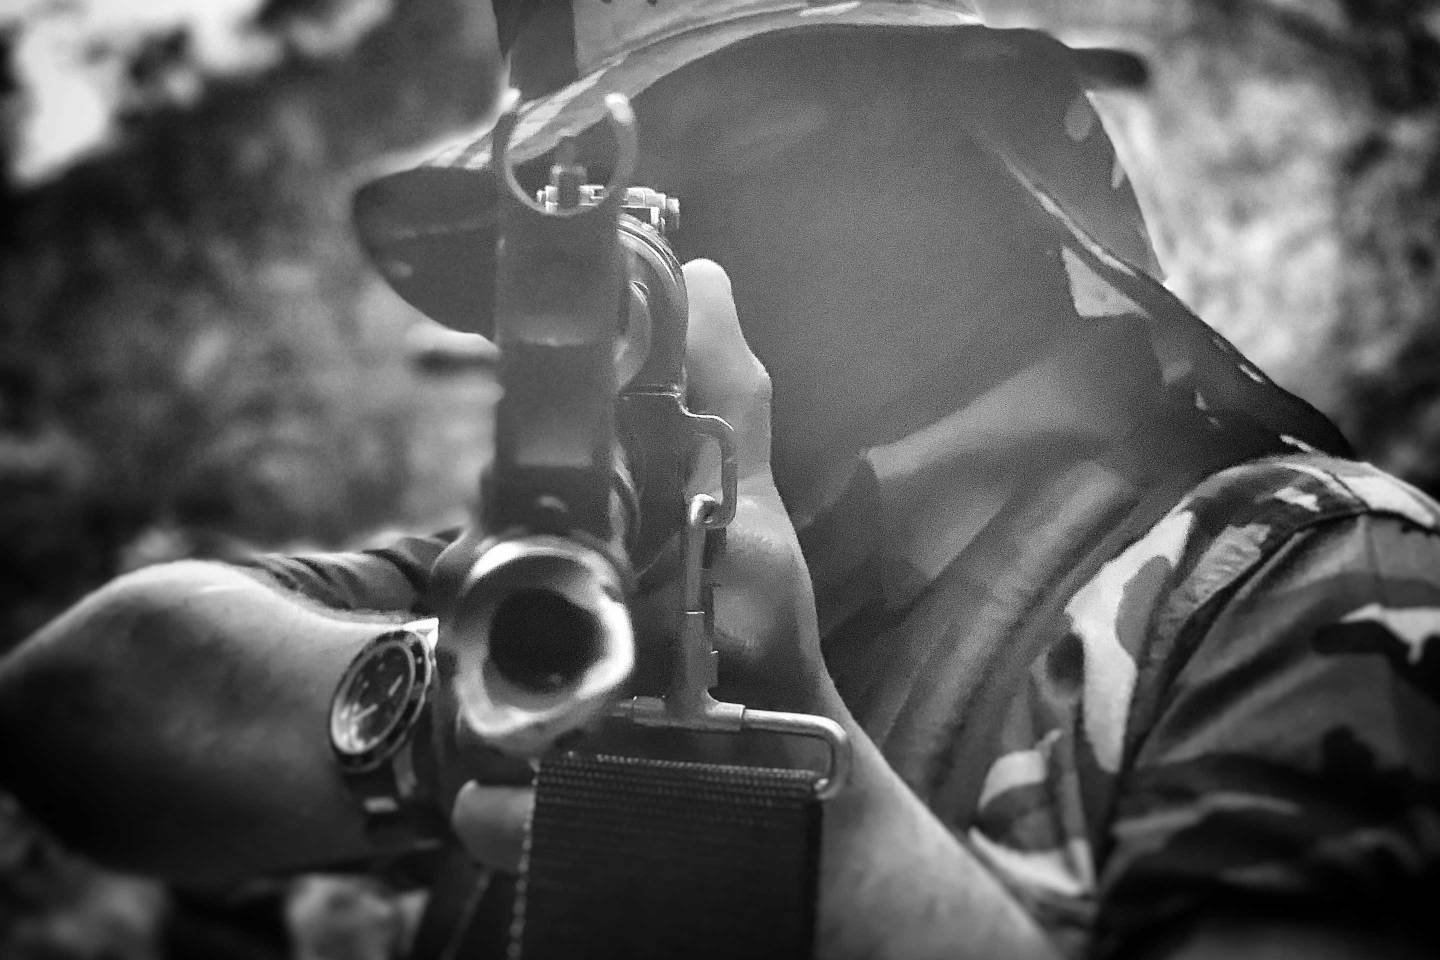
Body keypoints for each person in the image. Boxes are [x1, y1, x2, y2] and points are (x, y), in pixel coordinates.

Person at [3, 2, 1440, 957]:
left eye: (756, 139)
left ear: (971, 146)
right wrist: (456, 721)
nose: (680, 234)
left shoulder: (1305, 583)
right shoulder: (571, 588)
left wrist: (781, 803)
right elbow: (86, 701)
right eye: (602, 202)